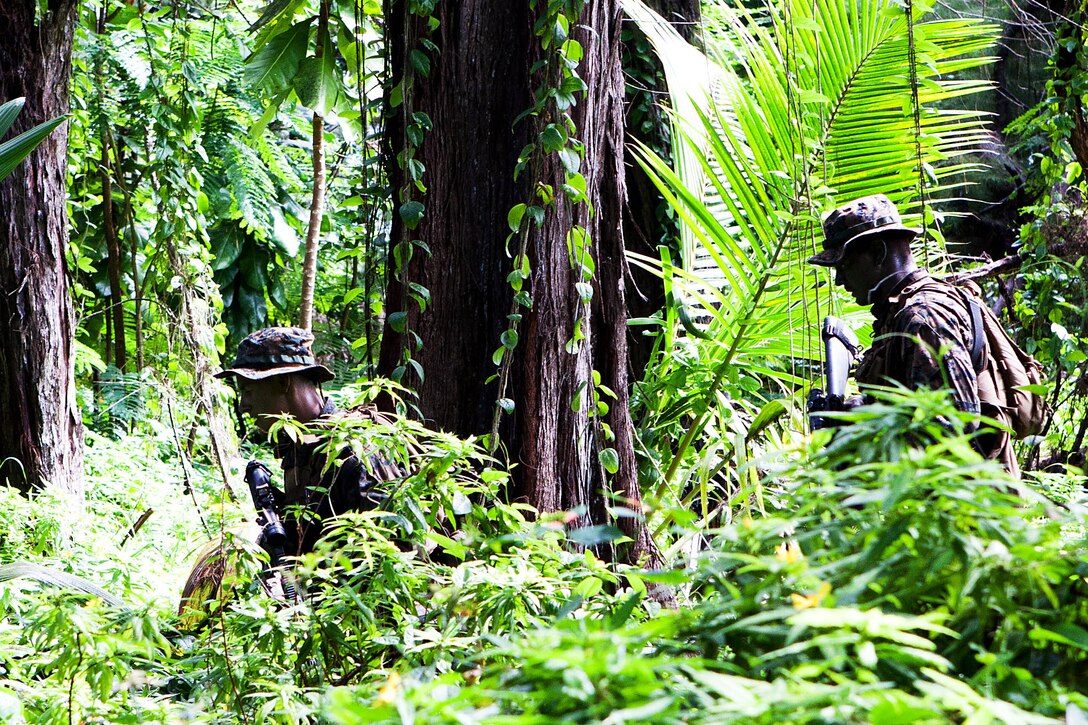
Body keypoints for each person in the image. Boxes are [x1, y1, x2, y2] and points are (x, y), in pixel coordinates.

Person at [807, 194, 1019, 476]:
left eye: (845, 266)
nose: (840, 281)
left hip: (964, 507)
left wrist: (863, 431)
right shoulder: (899, 312)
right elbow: (911, 398)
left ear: (879, 254)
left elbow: (953, 424)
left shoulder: (923, 317)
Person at [215, 327, 400, 557]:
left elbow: (393, 551)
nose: (243, 405)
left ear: (283, 383)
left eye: (249, 390)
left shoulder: (357, 449)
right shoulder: (301, 445)